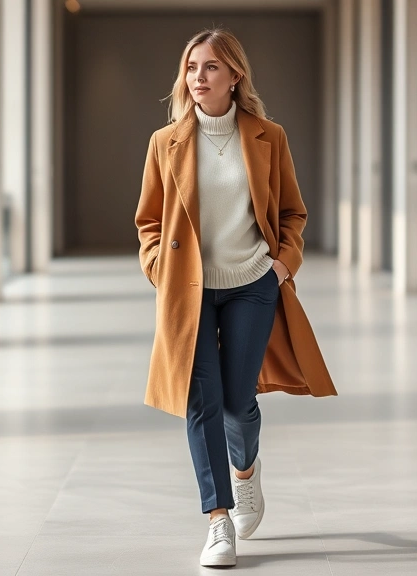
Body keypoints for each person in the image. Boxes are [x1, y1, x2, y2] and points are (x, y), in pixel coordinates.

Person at [135, 28, 337, 568]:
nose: (197, 78)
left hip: (252, 284)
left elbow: (293, 212)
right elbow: (149, 222)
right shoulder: (166, 141)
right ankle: (217, 519)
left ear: (235, 75)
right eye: (191, 68)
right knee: (200, 402)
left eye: (210, 68)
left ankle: (246, 473)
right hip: (190, 290)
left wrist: (281, 267)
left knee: (236, 400)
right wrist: (159, 267)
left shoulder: (269, 135)